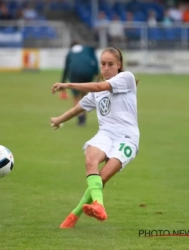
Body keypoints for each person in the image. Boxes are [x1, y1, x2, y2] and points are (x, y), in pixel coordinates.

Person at [50, 47, 140, 228]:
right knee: (90, 159)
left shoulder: (126, 78)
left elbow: (100, 85)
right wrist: (59, 119)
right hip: (106, 134)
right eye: (103, 64)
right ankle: (99, 205)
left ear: (119, 65)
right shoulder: (96, 94)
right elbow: (79, 108)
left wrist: (68, 85)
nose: (106, 68)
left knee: (103, 176)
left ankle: (73, 215)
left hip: (127, 137)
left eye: (110, 64)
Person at [59, 41, 99, 126]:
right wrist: (97, 74)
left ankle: (80, 120)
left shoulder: (70, 52)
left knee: (76, 97)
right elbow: (95, 61)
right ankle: (83, 119)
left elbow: (66, 69)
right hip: (88, 72)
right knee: (84, 95)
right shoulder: (88, 48)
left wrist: (62, 83)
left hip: (74, 73)